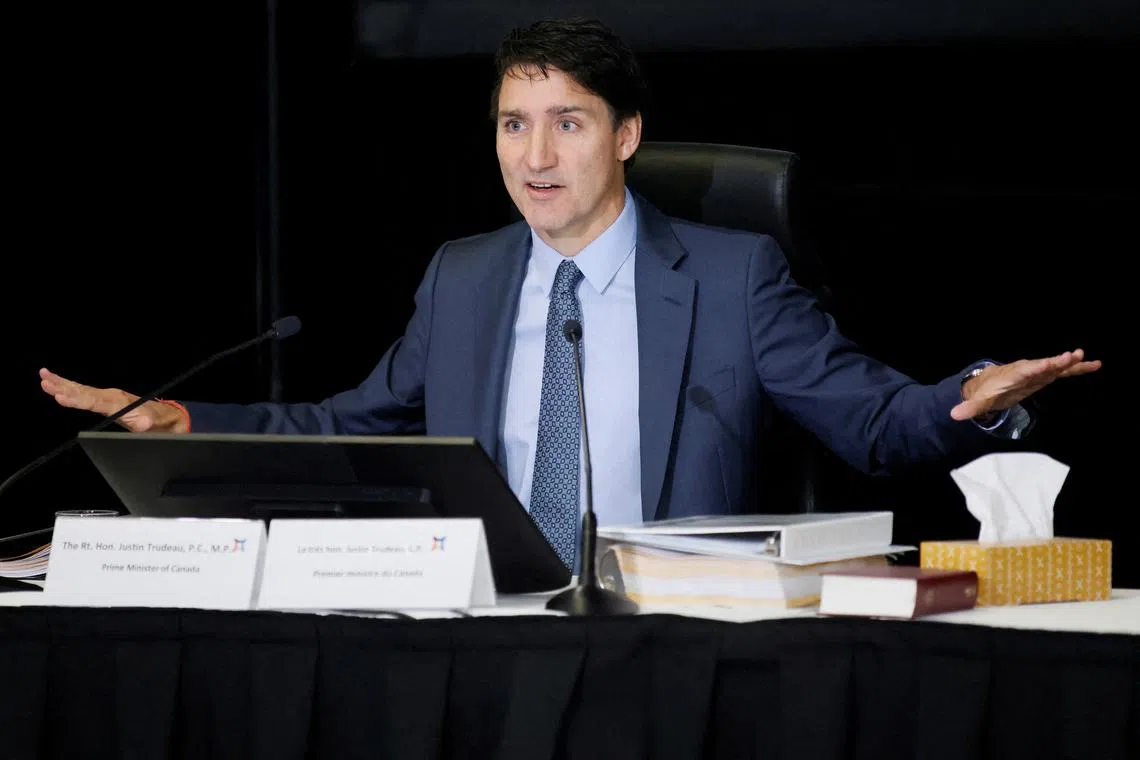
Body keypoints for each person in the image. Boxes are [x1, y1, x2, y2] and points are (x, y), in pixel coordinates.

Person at [39, 19, 1099, 568]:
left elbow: (870, 421)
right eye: (514, 125)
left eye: (568, 123)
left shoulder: (731, 277)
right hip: (485, 627)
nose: (535, 156)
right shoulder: (463, 277)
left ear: (626, 135)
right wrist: (181, 421)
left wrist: (972, 397)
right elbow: (349, 426)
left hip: (673, 638)